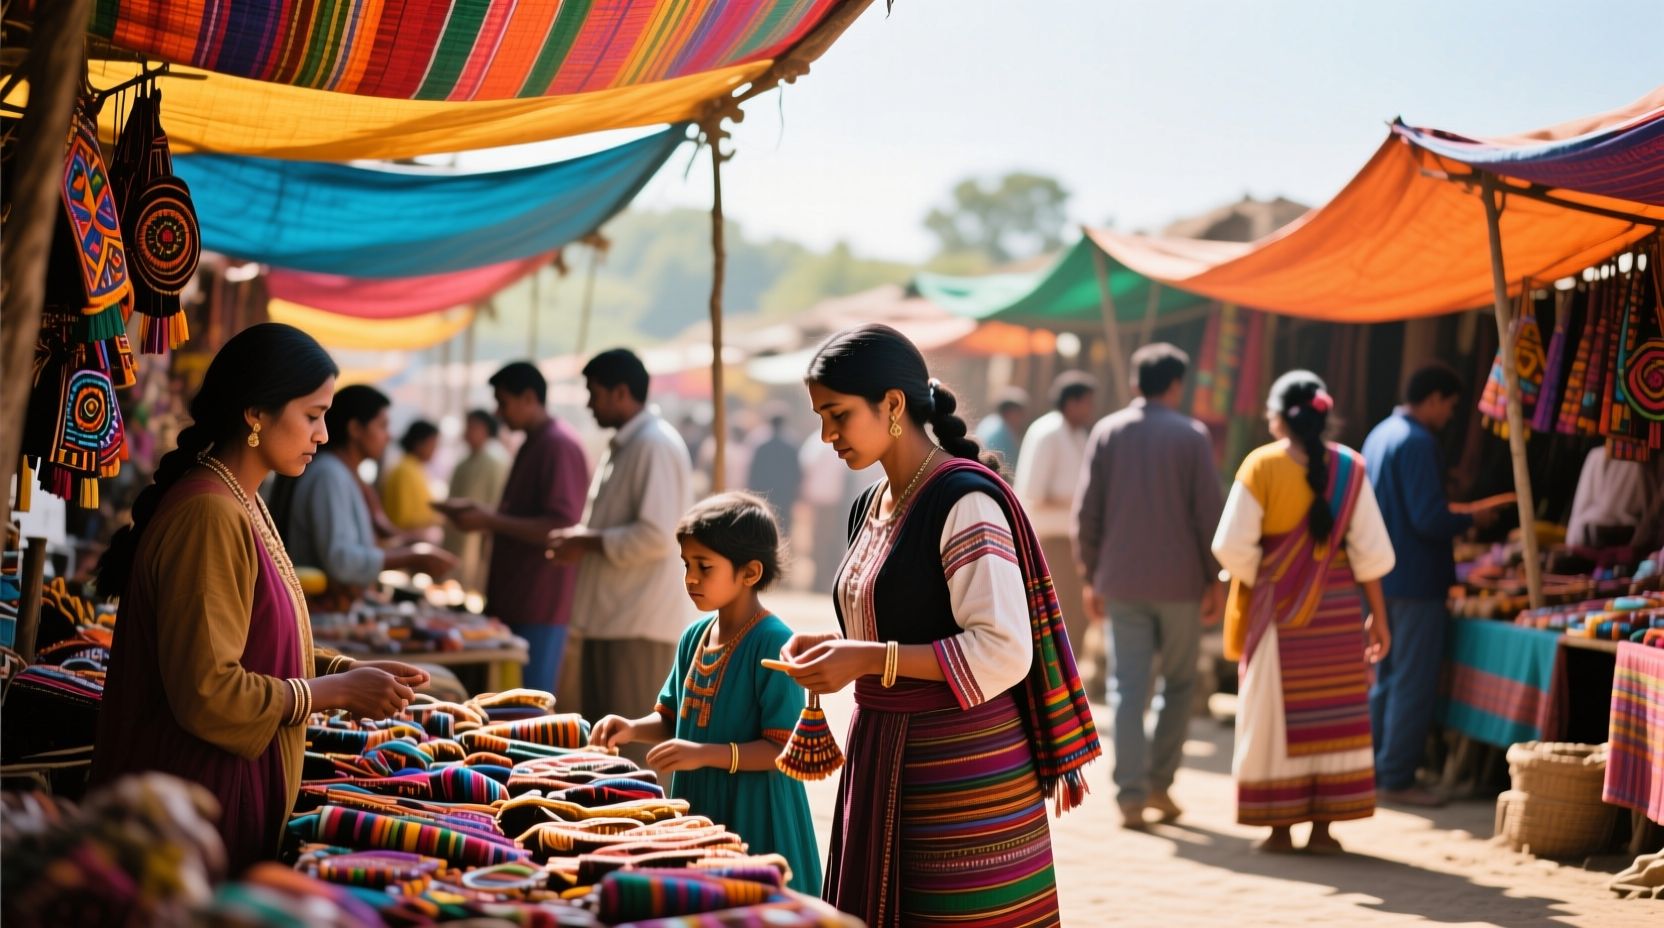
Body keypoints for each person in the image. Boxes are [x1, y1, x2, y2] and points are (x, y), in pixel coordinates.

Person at [778, 324, 1098, 927]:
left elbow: (1004, 650)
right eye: (821, 416)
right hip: (883, 756)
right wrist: (838, 649)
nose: (826, 436)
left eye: (838, 415)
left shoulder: (964, 502)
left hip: (961, 775)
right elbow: (891, 624)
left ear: (893, 406)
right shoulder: (869, 504)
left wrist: (871, 659)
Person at [91, 323, 427, 874]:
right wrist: (336, 689)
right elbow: (209, 691)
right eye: (313, 415)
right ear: (256, 413)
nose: (323, 435)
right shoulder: (209, 512)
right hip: (195, 803)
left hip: (222, 786)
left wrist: (348, 672)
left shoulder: (240, 498)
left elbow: (257, 643)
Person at [587, 492, 821, 893]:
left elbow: (780, 750)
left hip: (757, 811)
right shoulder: (693, 637)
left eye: (704, 566)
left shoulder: (774, 642)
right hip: (700, 805)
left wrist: (703, 754)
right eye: (687, 565)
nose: (691, 578)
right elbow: (672, 719)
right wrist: (629, 728)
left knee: (754, 909)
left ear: (749, 573)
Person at [1212, 371, 1396, 854]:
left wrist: (1271, 575)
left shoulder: (1261, 465)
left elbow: (1230, 547)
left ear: (1276, 418)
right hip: (1336, 610)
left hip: (1279, 612)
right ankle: (1323, 827)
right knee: (1333, 713)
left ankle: (1279, 827)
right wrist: (1378, 616)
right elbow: (1370, 554)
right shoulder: (1351, 468)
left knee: (1272, 711)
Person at [1073, 344, 1224, 828]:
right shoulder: (1192, 436)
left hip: (1120, 581)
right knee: (1179, 684)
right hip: (1180, 585)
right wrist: (1213, 579)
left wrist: (1089, 575)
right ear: (1177, 385)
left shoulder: (1108, 431)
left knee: (1128, 688)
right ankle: (1160, 784)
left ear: (1136, 382)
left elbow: (1087, 512)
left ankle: (1131, 795)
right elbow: (1208, 516)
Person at [1362, 362, 1504, 806]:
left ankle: (1375, 768)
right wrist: (1473, 515)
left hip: (1383, 577)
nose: (1450, 415)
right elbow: (1428, 517)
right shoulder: (1418, 442)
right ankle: (1397, 775)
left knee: (1386, 676)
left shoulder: (1381, 434)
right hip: (1417, 579)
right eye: (1451, 405)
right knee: (1412, 681)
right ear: (1434, 399)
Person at [546, 349, 692, 739]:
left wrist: (587, 541)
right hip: (613, 619)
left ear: (621, 392)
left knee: (631, 755)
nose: (589, 404)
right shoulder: (630, 443)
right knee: (606, 743)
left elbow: (657, 536)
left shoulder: (653, 444)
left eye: (594, 393)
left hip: (637, 623)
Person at [441, 363, 588, 695]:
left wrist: (489, 520)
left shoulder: (557, 444)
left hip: (539, 602)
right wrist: (487, 517)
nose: (498, 412)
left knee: (528, 707)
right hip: (518, 597)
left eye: (503, 402)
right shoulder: (535, 442)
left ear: (528, 398)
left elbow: (560, 525)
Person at [268, 385, 455, 608]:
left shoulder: (345, 474)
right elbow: (340, 561)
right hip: (321, 615)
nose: (389, 435)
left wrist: (411, 547)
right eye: (382, 425)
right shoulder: (330, 474)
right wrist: (411, 556)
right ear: (355, 428)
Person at [1015, 371, 1098, 686]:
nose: (1090, 409)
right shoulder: (1047, 433)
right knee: (1053, 616)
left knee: (1075, 617)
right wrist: (1077, 501)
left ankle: (1063, 682)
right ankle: (1044, 683)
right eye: (1086, 402)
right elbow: (1033, 491)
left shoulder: (1078, 436)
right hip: (1051, 538)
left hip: (1073, 538)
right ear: (1072, 402)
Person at [443, 410, 510, 594]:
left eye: (472, 427)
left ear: (486, 430)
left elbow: (497, 505)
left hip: (479, 539)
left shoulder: (496, 460)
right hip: (457, 535)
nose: (467, 432)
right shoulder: (463, 462)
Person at [1565, 444, 1651, 548]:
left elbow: (1582, 503)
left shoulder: (1598, 455)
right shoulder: (1646, 459)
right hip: (1626, 537)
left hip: (1612, 535)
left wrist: (1571, 542)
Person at [745, 410, 803, 538]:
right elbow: (797, 471)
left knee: (765, 519)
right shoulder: (791, 445)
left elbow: (754, 471)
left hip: (765, 491)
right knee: (784, 522)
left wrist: (752, 490)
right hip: (785, 492)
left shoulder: (762, 446)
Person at [381, 419, 441, 533]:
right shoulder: (404, 471)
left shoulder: (414, 468)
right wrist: (438, 519)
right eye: (432, 444)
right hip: (402, 542)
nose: (434, 450)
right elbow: (403, 519)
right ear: (419, 444)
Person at [974, 386, 1029, 474]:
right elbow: (1006, 464)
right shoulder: (1000, 432)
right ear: (1009, 412)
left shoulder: (990, 421)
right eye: (1020, 413)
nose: (1022, 418)